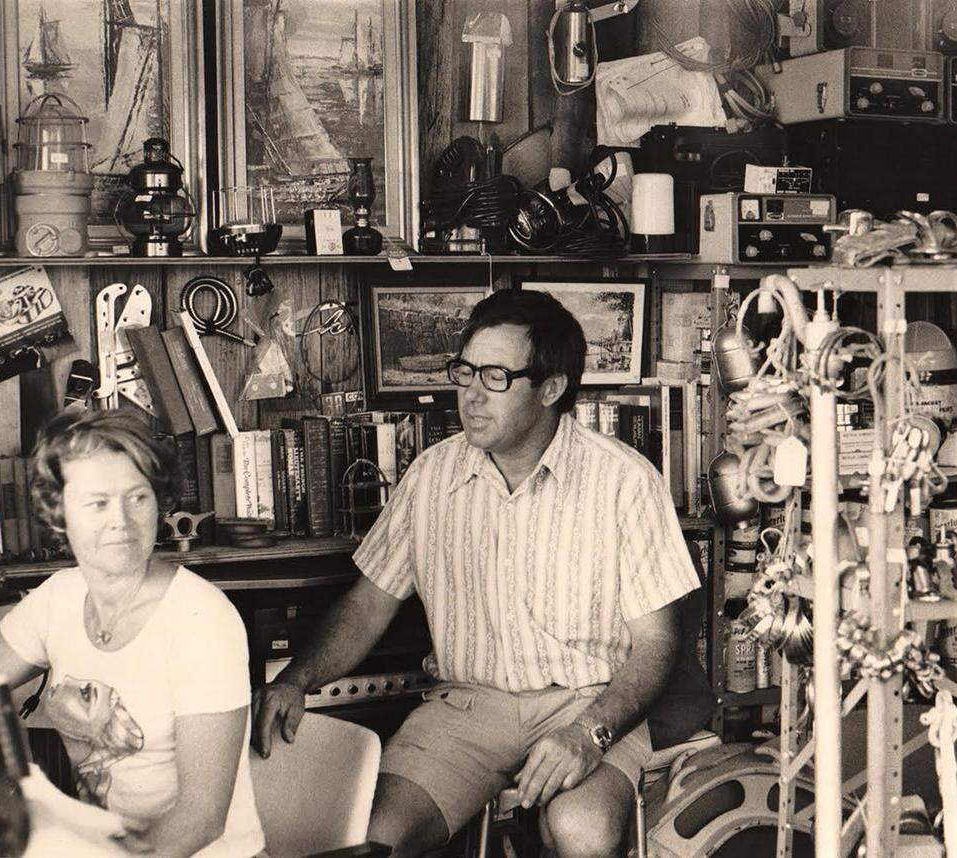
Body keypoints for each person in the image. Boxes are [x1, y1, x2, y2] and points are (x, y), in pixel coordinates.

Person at [252, 289, 701, 858]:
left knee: (582, 832)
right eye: (465, 372)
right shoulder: (431, 475)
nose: (470, 395)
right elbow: (368, 605)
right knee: (369, 840)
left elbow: (657, 644)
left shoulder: (624, 482)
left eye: (495, 377)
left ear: (551, 389)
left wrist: (589, 735)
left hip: (586, 702)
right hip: (465, 708)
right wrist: (295, 679)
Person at [0, 410, 265, 858]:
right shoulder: (58, 599)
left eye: (137, 498)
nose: (120, 520)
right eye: (97, 503)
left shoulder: (202, 620)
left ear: (159, 504)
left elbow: (200, 818)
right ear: (60, 513)